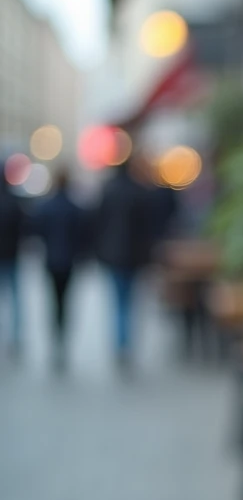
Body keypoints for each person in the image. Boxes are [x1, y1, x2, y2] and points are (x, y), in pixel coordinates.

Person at [93, 157, 156, 367]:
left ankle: (120, 344)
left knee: (117, 301)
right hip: (134, 256)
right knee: (130, 301)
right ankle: (126, 344)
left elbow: (98, 223)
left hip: (113, 255)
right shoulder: (139, 192)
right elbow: (147, 228)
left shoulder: (108, 191)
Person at [31, 168, 90, 367]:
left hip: (51, 261)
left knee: (53, 301)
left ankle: (56, 337)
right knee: (66, 301)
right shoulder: (75, 208)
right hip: (69, 262)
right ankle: (62, 337)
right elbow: (84, 236)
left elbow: (36, 231)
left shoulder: (46, 207)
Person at [0, 164, 25, 358]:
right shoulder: (14, 201)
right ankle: (15, 338)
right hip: (12, 256)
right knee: (15, 299)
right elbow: (23, 228)